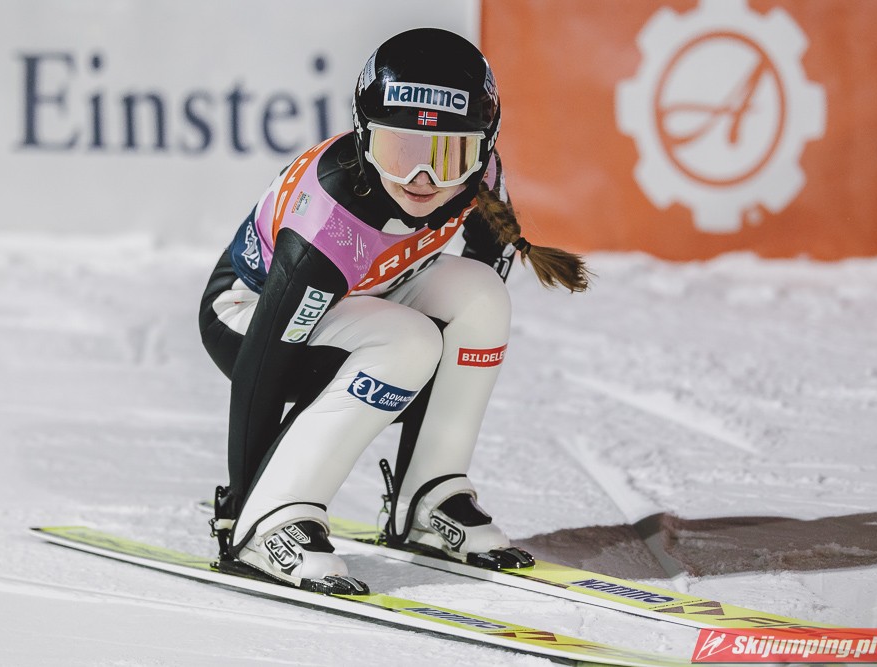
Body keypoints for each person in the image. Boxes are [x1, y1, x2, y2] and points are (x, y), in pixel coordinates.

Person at [198, 27, 589, 594]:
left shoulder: (482, 178)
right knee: (408, 343)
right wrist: (241, 507)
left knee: (482, 297)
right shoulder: (332, 218)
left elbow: (471, 304)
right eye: (399, 151)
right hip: (246, 315)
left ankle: (428, 498)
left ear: (484, 147)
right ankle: (272, 522)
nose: (422, 180)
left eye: (449, 155)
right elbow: (262, 369)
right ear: (364, 138)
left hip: (361, 297)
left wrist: (421, 403)